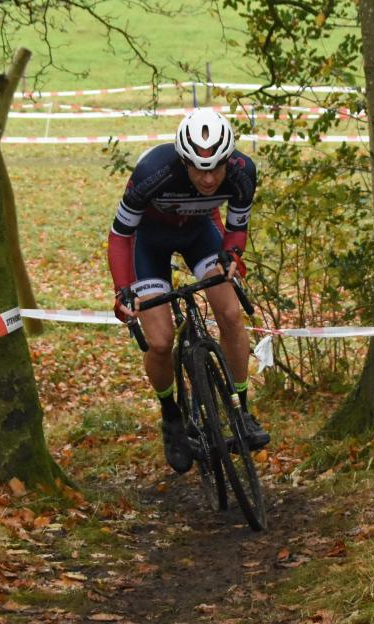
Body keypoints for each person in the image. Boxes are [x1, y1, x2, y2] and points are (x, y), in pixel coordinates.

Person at [107, 108, 270, 474]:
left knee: (229, 313)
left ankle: (241, 410)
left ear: (229, 159)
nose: (210, 179)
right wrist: (123, 290)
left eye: (217, 168)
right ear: (183, 160)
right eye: (198, 168)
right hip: (148, 244)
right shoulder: (154, 173)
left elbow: (236, 227)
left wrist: (233, 254)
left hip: (200, 233)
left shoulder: (243, 173)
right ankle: (171, 418)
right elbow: (120, 236)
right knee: (161, 342)